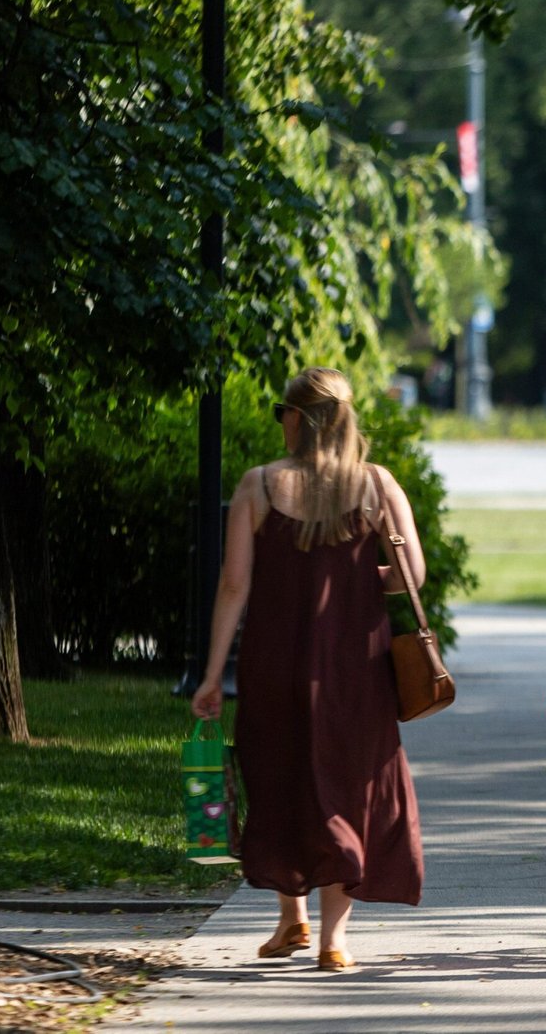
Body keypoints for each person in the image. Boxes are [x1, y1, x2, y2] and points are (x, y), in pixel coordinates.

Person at [192, 366, 426, 972]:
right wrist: (354, 579)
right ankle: (330, 940)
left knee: (281, 775)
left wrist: (213, 674)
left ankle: (289, 919)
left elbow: (233, 583)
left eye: (283, 413)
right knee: (348, 784)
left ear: (298, 417)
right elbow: (412, 577)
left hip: (276, 663)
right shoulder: (376, 485)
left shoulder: (258, 485)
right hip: (355, 669)